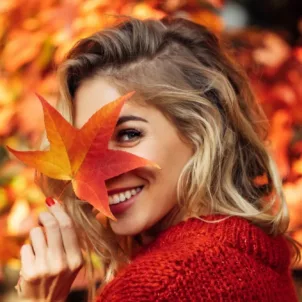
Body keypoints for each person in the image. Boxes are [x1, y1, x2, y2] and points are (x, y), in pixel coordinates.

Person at [16, 16, 300, 301]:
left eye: (128, 134)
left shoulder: (160, 285)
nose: (99, 170)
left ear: (200, 130)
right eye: (86, 147)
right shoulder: (251, 249)